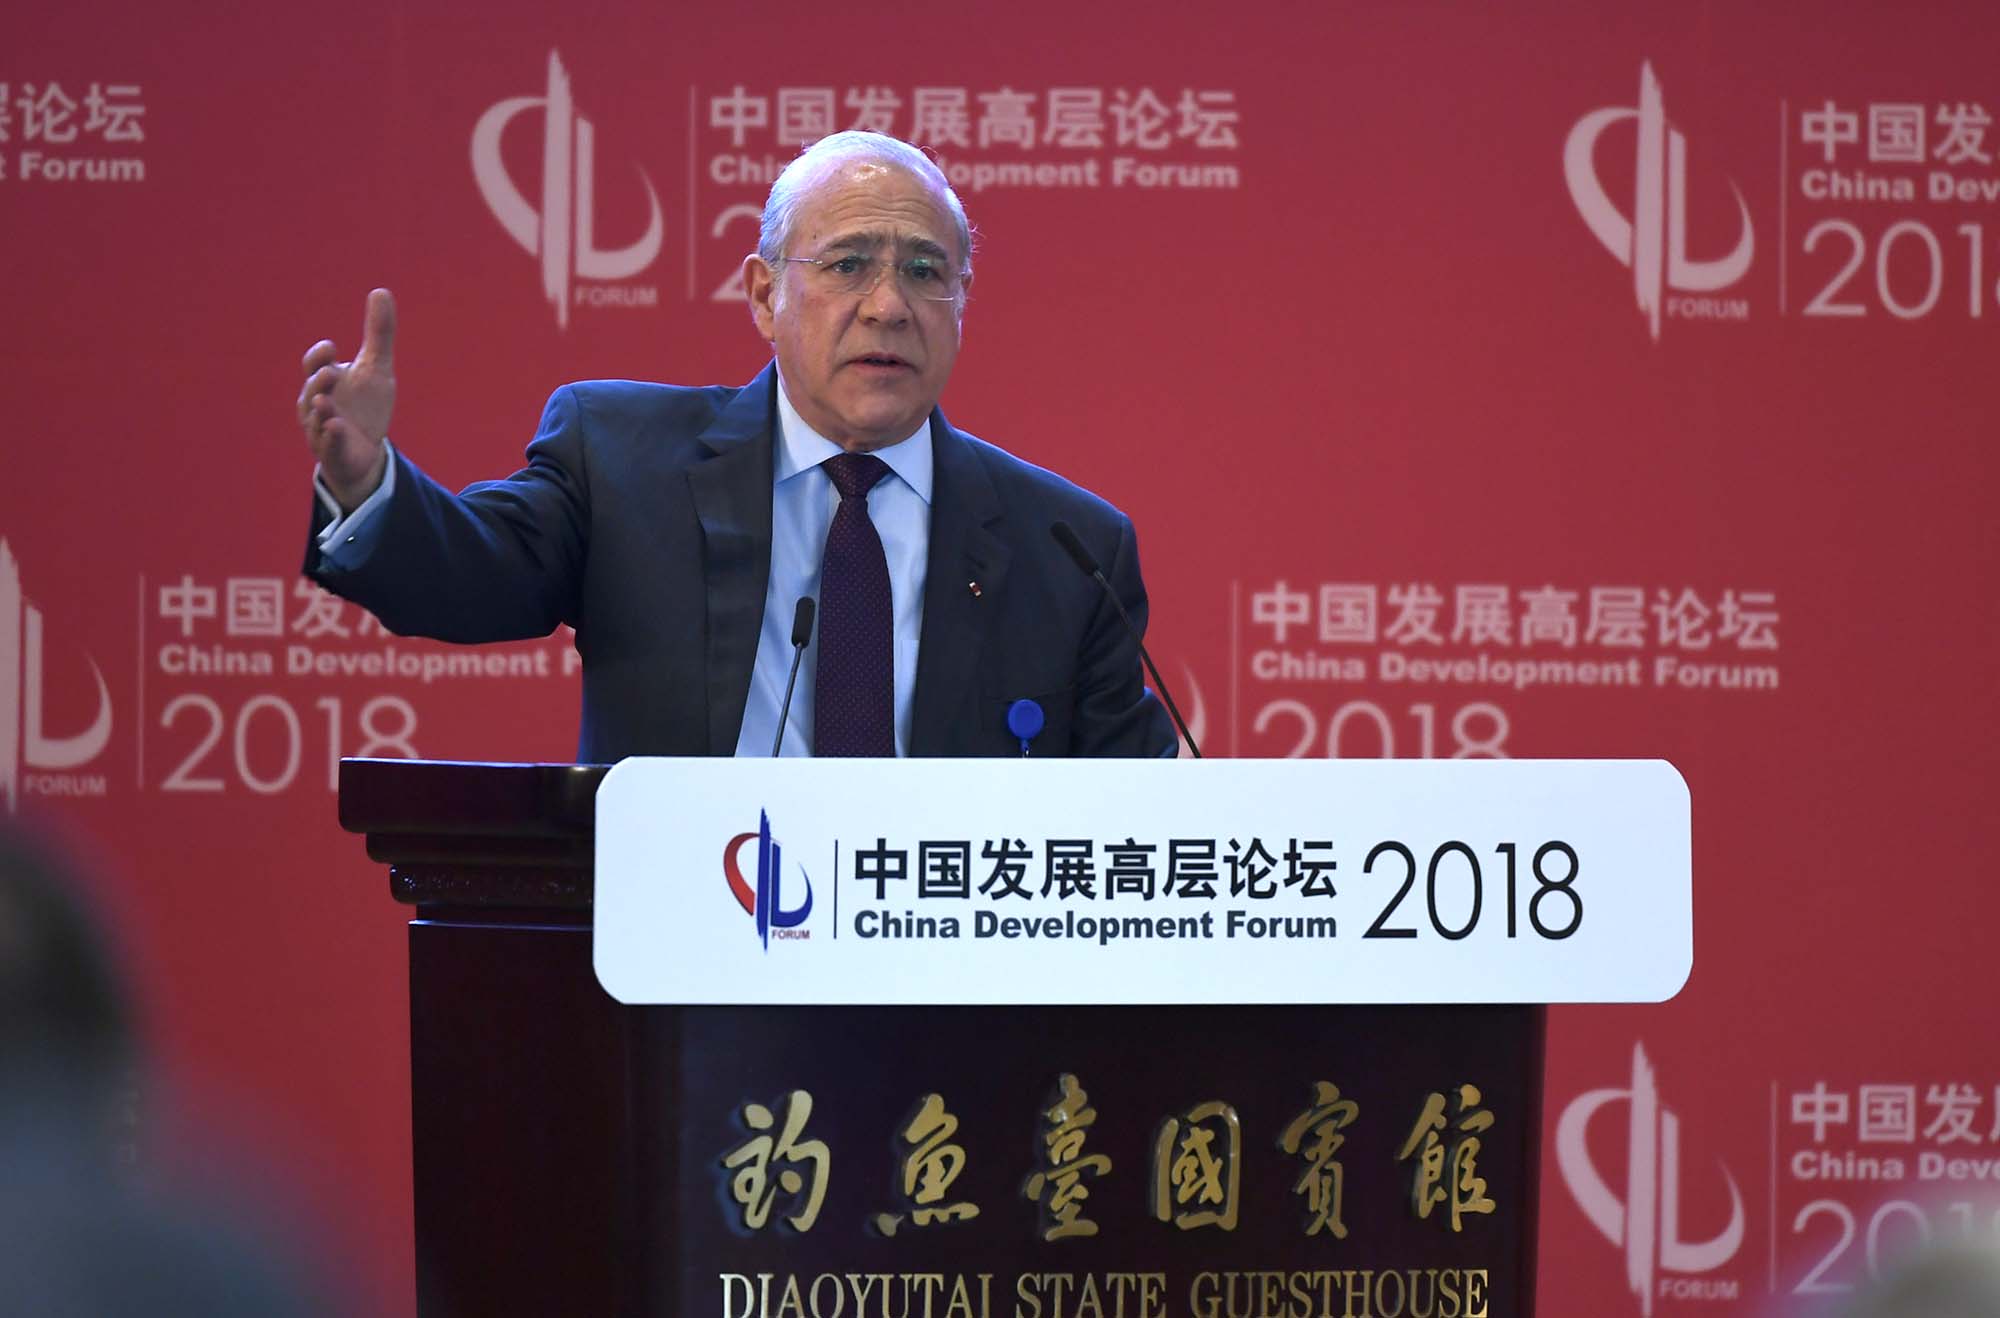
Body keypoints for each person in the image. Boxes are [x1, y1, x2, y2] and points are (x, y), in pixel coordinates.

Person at [296, 131, 1175, 762]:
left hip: (943, 960)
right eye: (847, 264)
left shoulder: (1069, 546)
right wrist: (371, 485)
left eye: (923, 271)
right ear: (763, 297)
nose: (888, 306)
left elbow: (1139, 821)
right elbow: (472, 576)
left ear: (961, 304)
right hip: (678, 945)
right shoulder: (622, 461)